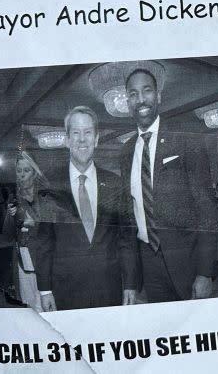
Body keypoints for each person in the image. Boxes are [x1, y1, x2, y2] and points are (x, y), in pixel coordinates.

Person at [121, 68, 218, 303]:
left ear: (159, 96)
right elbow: (129, 218)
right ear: (127, 102)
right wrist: (131, 282)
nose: (141, 99)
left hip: (187, 261)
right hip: (148, 263)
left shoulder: (185, 136)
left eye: (147, 91)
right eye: (133, 94)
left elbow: (207, 208)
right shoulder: (125, 152)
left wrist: (205, 273)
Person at [36, 106, 138, 311]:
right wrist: (45, 290)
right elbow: (44, 242)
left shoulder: (115, 183)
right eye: (75, 133)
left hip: (109, 288)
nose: (82, 139)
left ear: (97, 139)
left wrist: (130, 284)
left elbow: (126, 239)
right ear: (67, 140)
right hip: (66, 291)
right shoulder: (49, 185)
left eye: (88, 132)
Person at [1, 151, 47, 312]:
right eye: (19, 171)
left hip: (43, 255)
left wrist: (32, 223)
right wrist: (9, 215)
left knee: (47, 299)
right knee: (29, 302)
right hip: (23, 258)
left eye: (26, 171)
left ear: (34, 173)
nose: (22, 175)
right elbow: (7, 235)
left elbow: (54, 229)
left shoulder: (44, 196)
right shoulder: (14, 198)